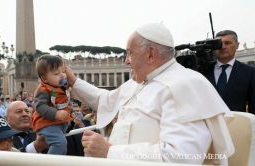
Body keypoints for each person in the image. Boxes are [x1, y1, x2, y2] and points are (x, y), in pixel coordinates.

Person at [66, 23, 235, 165]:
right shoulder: (137, 83)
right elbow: (104, 100)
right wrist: (73, 81)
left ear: (151, 53)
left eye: (130, 53)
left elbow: (181, 156)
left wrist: (110, 151)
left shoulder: (184, 85)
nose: (126, 60)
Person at [204, 30, 255, 114]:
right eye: (219, 44)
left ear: (237, 45)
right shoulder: (203, 71)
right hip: (207, 125)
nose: (223, 47)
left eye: (227, 43)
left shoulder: (250, 72)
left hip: (237, 125)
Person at [31, 55, 73, 155]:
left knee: (63, 147)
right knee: (59, 143)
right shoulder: (43, 89)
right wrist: (56, 114)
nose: (62, 75)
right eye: (56, 73)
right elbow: (39, 106)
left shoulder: (60, 86)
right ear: (45, 78)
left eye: (63, 72)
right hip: (47, 124)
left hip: (58, 123)